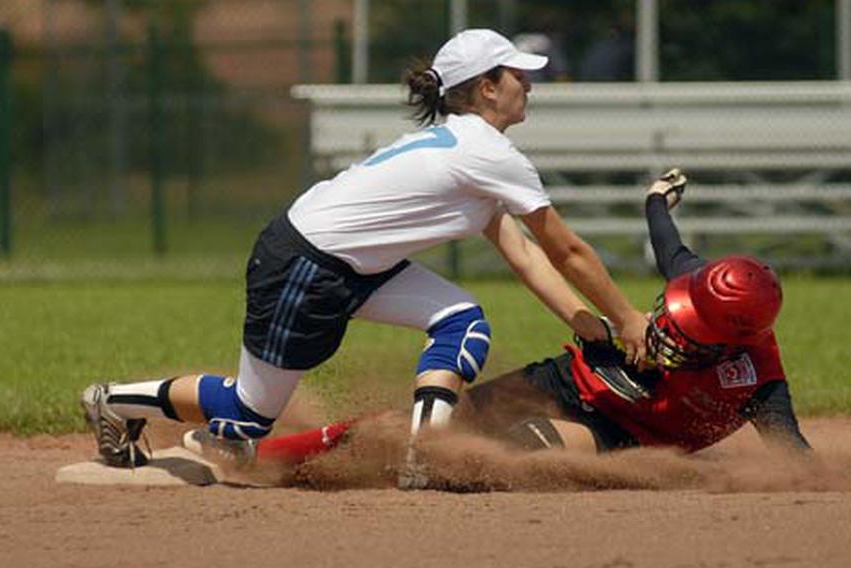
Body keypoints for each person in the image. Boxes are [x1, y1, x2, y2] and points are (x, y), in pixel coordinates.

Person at [80, 29, 648, 470]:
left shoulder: (471, 149)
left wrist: (590, 323)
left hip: (353, 264)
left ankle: (424, 452)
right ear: (486, 87)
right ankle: (115, 401)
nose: (530, 84)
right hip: (307, 264)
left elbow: (524, 256)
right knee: (246, 414)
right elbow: (566, 251)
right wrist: (628, 321)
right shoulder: (486, 152)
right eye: (518, 75)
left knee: (461, 321)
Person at [248, 169, 810, 470]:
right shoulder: (696, 282)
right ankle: (261, 456)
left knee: (513, 452)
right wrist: (656, 199)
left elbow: (795, 461)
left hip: (618, 435)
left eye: (687, 329)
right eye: (673, 310)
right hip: (569, 379)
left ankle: (406, 477)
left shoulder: (757, 384)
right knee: (433, 421)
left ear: (730, 345)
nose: (667, 323)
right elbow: (667, 241)